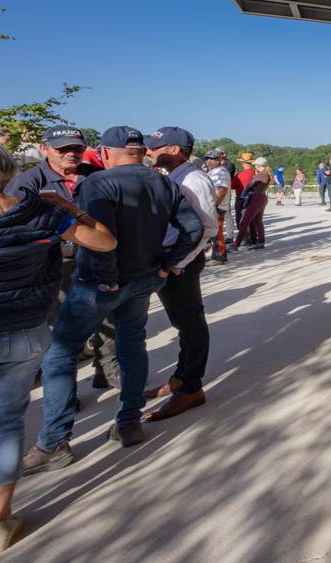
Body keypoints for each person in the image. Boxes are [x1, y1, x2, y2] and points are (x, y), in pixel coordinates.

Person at [0, 141, 116, 553]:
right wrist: (70, 208)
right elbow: (105, 242)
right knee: (5, 424)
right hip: (25, 332)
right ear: (7, 172)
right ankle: (0, 519)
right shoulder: (42, 214)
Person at [21, 126, 204, 472]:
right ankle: (129, 423)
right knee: (132, 346)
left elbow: (102, 238)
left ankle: (54, 441)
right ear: (142, 152)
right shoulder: (164, 182)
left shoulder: (98, 183)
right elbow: (193, 228)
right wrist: (167, 264)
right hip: (145, 277)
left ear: (105, 153)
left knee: (59, 354)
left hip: (103, 284)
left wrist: (108, 278)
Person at [4, 125, 117, 390]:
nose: (71, 153)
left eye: (77, 148)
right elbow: (14, 224)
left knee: (107, 317)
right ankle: (64, 390)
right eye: (62, 149)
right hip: (53, 263)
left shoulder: (97, 176)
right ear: (45, 149)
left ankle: (109, 371)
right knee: (59, 329)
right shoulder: (28, 182)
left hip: (98, 257)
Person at [143, 127, 219, 422]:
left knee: (190, 324)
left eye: (155, 147)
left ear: (175, 149)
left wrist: (178, 263)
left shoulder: (194, 179)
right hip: (173, 259)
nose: (148, 151)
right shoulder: (175, 176)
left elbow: (207, 228)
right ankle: (181, 377)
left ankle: (191, 388)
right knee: (182, 323)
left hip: (180, 262)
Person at [235, 157, 271, 250]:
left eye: (255, 165)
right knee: (258, 221)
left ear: (258, 166)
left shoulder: (261, 174)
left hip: (256, 198)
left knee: (244, 221)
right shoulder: (266, 174)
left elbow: (249, 185)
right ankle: (261, 242)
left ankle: (236, 244)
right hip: (262, 198)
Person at [203, 150, 232, 266]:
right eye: (206, 158)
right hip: (214, 206)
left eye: (212, 159)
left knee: (217, 232)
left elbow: (222, 190)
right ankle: (219, 254)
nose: (209, 161)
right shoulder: (213, 171)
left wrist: (214, 205)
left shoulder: (221, 172)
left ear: (219, 160)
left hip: (218, 206)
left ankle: (219, 256)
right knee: (214, 233)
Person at [231, 152, 256, 246]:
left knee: (240, 219)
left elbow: (232, 185)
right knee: (251, 219)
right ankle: (253, 238)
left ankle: (245, 239)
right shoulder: (255, 173)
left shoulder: (240, 175)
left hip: (241, 198)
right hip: (253, 197)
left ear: (243, 163)